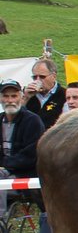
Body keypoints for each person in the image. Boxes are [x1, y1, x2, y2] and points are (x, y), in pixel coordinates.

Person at [0, 78, 45, 216]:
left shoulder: (32, 120)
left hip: (25, 175)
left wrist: (4, 165)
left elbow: (31, 155)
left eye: (14, 96)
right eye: (6, 96)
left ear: (21, 96)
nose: (10, 100)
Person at [24, 59, 64, 128]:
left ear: (54, 77)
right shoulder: (27, 94)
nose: (38, 80)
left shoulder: (65, 95)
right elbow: (16, 117)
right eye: (35, 77)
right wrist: (26, 98)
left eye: (42, 77)